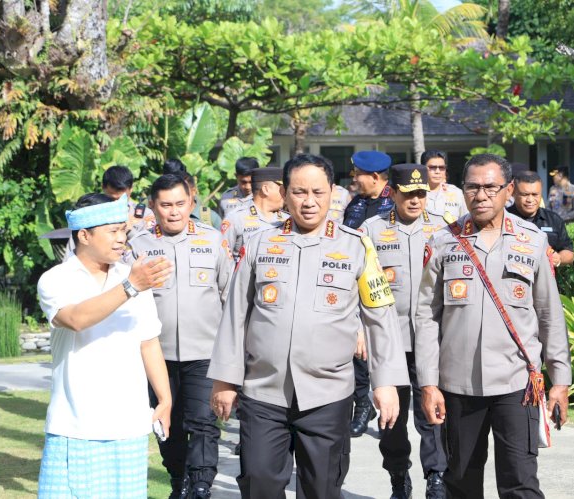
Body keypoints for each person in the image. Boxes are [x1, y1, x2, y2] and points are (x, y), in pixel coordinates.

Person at [208, 153, 409, 499]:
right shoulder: (260, 243)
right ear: (285, 194)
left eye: (318, 192)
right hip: (264, 391)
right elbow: (235, 314)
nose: (309, 202)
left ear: (332, 192)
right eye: (300, 192)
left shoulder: (357, 245)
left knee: (322, 487)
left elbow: (380, 317)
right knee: (259, 482)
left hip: (327, 394)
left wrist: (386, 382)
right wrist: (225, 380)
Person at [416, 153, 571, 498]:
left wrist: (560, 380)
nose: (481, 195)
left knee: (520, 482)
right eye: (472, 187)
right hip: (457, 387)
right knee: (460, 482)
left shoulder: (532, 241)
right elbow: (425, 316)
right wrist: (428, 383)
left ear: (509, 190)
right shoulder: (443, 242)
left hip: (517, 385)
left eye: (490, 187)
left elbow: (549, 314)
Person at [36, 193, 173, 498]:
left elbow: (149, 342)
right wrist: (131, 287)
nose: (121, 239)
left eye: (123, 230)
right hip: (74, 426)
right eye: (112, 231)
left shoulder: (133, 277)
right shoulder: (56, 279)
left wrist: (164, 399)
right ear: (84, 235)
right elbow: (75, 319)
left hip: (128, 426)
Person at [129, 174, 234, 499]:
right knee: (167, 426)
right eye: (165, 205)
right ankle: (179, 481)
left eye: (180, 204)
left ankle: (202, 484)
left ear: (191, 202)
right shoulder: (138, 246)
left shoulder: (213, 239)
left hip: (204, 353)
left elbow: (230, 295)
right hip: (156, 357)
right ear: (152, 206)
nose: (173, 212)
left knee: (203, 422)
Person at [360, 164, 448, 499]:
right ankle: (398, 476)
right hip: (390, 340)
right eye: (408, 193)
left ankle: (436, 477)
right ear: (392, 192)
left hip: (431, 340)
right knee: (392, 419)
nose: (415, 200)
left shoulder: (443, 229)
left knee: (432, 413)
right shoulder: (372, 228)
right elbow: (361, 284)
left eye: (421, 194)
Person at [342, 149, 394, 437]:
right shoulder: (357, 204)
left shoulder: (392, 202)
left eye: (357, 174)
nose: (354, 179)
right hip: (359, 285)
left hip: (389, 287)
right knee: (357, 350)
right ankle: (363, 403)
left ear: (374, 177)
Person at [63, 165, 155, 261]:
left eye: (122, 200)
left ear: (131, 189)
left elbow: (153, 250)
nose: (116, 205)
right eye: (112, 199)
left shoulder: (145, 215)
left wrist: (131, 231)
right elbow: (70, 257)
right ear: (103, 187)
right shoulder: (91, 216)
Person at [508, 171, 574, 268]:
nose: (530, 200)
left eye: (535, 194)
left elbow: (569, 252)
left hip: (544, 280)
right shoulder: (502, 218)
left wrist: (559, 257)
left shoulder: (553, 220)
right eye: (525, 194)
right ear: (513, 193)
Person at [221, 167, 288, 261]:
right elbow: (224, 261)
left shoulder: (288, 220)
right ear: (266, 189)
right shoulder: (236, 219)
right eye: (282, 189)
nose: (285, 193)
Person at [163, 158, 222, 228]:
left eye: (183, 192)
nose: (177, 196)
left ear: (193, 191)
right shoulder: (159, 216)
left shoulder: (211, 219)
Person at [421, 150, 467, 222]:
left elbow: (466, 220)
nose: (437, 171)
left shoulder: (456, 193)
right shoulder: (415, 194)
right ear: (423, 169)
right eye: (432, 167)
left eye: (441, 167)